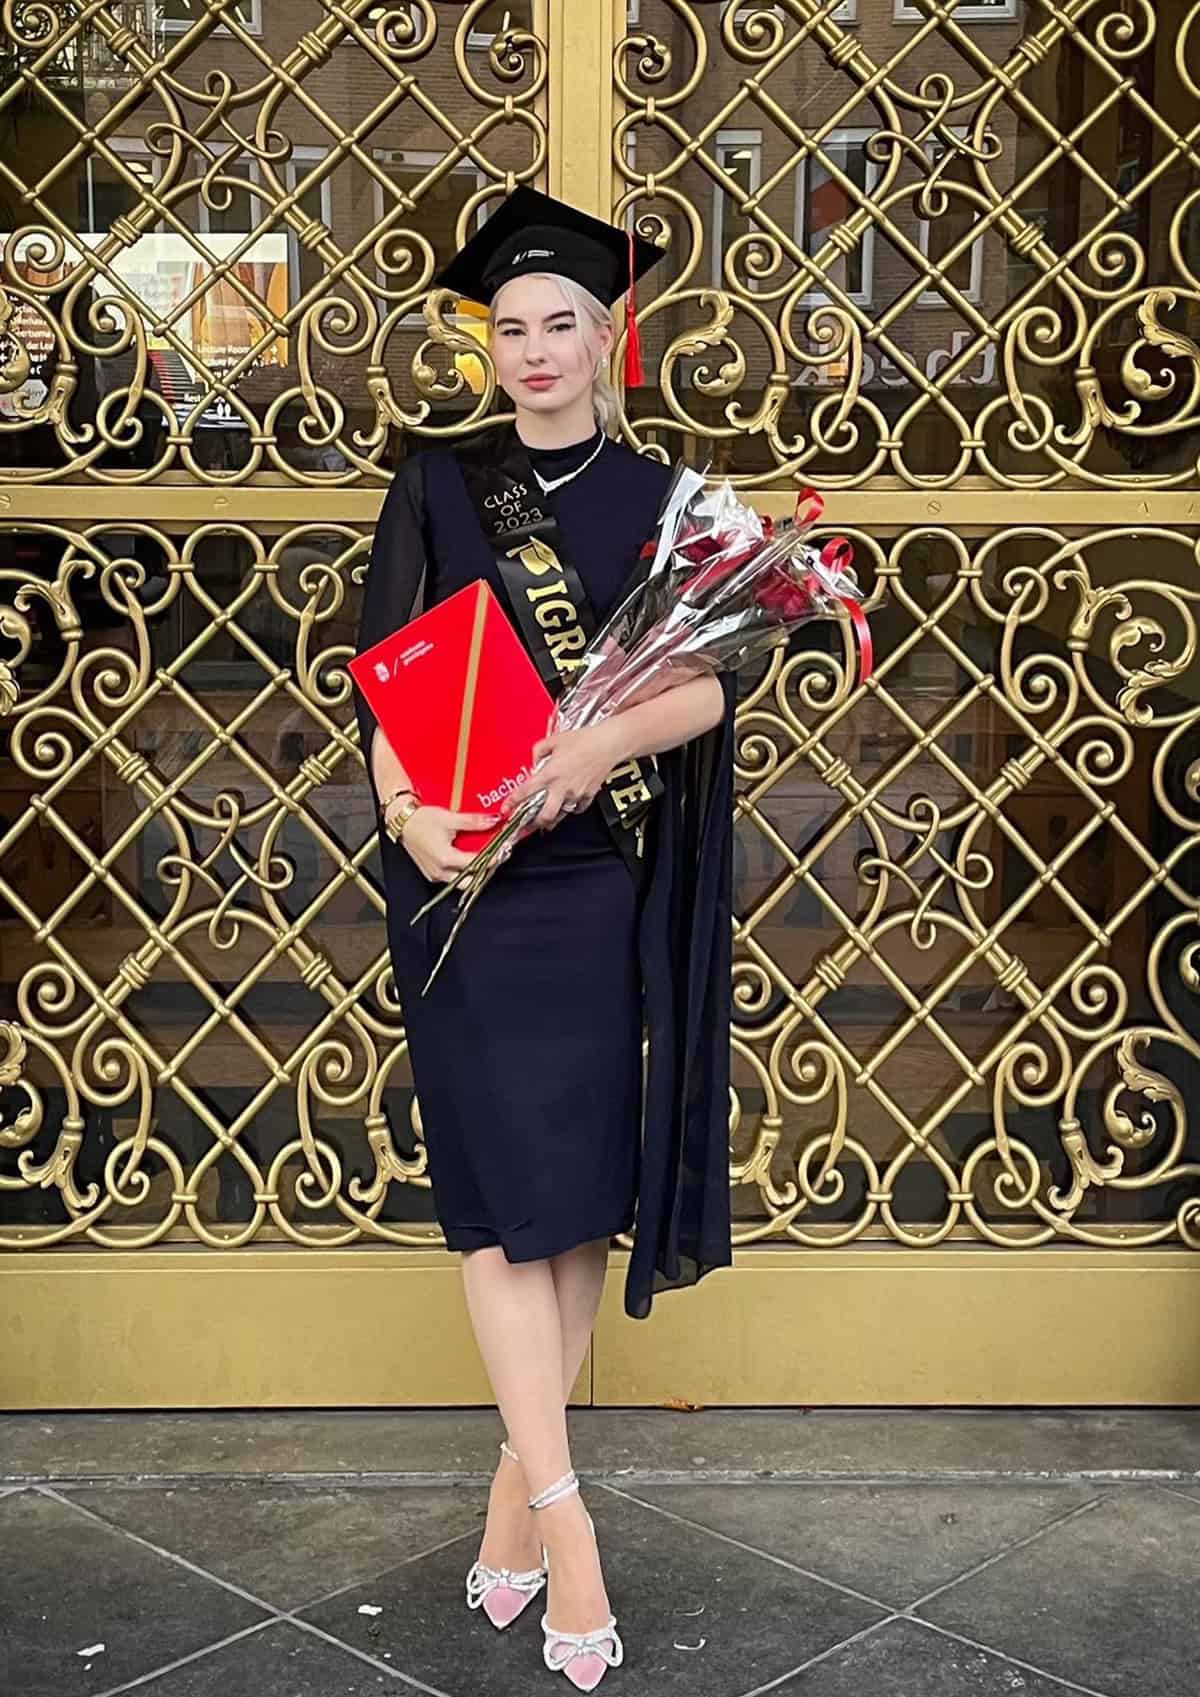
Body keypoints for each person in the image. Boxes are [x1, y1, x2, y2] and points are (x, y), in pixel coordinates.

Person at [354, 186, 735, 1690]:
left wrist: (591, 752)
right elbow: (381, 670)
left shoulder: (664, 497)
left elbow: (710, 691)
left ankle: (514, 1489)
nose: (534, 351)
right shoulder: (440, 486)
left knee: (570, 1204)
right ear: (490, 347)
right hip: (464, 887)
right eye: (509, 328)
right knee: (500, 1201)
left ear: (606, 335)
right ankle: (568, 1523)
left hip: (593, 886)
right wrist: (405, 817)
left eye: (560, 324)